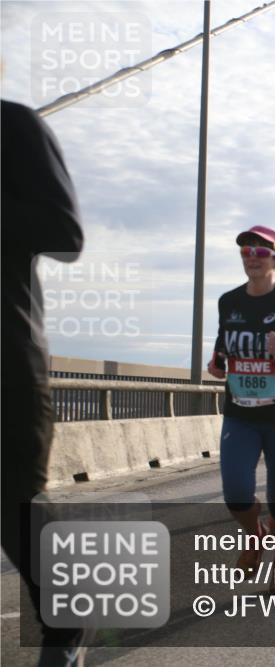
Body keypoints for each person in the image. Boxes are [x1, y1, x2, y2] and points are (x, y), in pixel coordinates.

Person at [2, 99, 89, 664]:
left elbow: (65, 235)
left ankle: (67, 621)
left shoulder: (15, 126)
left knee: (14, 509)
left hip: (6, 363)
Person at [207, 225, 275, 596]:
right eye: (245, 250)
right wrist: (218, 361)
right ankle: (255, 536)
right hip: (240, 412)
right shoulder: (228, 301)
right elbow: (224, 344)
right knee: (236, 493)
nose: (251, 255)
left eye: (260, 250)